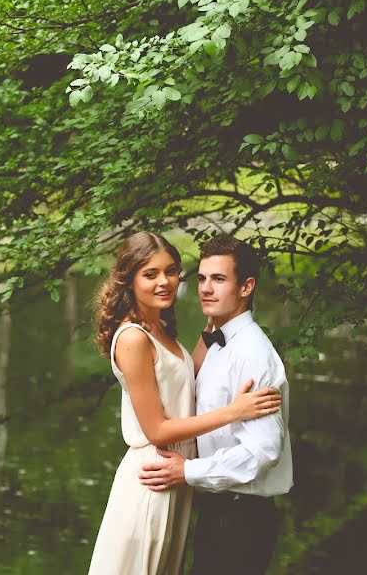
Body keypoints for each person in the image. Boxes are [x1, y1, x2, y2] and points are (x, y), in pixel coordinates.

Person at [88, 232, 281, 575]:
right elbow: (158, 429)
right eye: (150, 274)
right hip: (156, 473)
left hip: (179, 477)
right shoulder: (133, 337)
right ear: (129, 279)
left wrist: (212, 331)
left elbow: (182, 380)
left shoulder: (160, 328)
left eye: (172, 271)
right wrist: (233, 412)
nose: (165, 282)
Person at [138, 235, 293, 574]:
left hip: (242, 519)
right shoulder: (218, 341)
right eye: (203, 278)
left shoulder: (252, 355)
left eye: (219, 279)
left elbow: (263, 451)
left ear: (246, 286)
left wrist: (187, 470)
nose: (206, 288)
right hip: (218, 509)